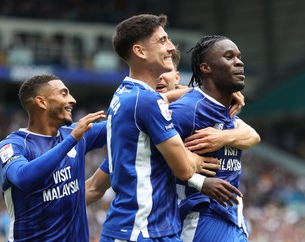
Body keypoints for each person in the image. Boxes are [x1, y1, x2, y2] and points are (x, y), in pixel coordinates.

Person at [99, 14, 242, 242]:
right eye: (162, 41)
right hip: (138, 231)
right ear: (140, 51)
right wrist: (194, 161)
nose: (170, 47)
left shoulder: (126, 96)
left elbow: (250, 134)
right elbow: (184, 169)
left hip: (159, 229)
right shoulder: (146, 102)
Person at [169, 35, 261, 241]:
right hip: (201, 216)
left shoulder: (226, 111)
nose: (239, 62)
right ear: (206, 68)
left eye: (239, 56)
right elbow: (153, 158)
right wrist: (200, 181)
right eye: (229, 57)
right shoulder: (187, 109)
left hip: (231, 217)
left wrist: (223, 137)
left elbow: (254, 137)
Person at [0, 74, 107, 241]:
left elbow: (124, 124)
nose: (72, 100)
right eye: (63, 94)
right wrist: (71, 140)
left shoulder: (74, 133)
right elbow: (22, 177)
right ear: (41, 102)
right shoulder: (14, 145)